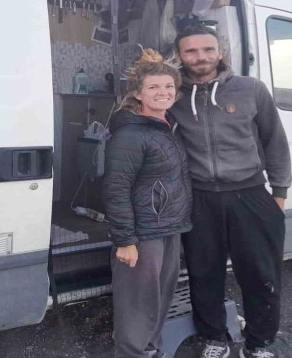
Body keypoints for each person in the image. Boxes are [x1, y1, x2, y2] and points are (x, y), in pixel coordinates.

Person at [168, 25, 292, 358]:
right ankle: (215, 338)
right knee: (203, 273)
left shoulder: (251, 89)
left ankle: (258, 343)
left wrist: (278, 194)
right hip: (200, 198)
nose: (201, 57)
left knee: (260, 274)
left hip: (250, 194)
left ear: (220, 51)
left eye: (208, 49)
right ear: (179, 56)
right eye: (191, 51)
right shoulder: (173, 95)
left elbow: (275, 142)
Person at [103, 48, 193, 358]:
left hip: (168, 227)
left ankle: (150, 349)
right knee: (137, 301)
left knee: (161, 295)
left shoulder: (167, 126)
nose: (162, 92)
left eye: (168, 86)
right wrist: (125, 240)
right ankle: (132, 353)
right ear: (138, 94)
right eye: (153, 87)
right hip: (143, 232)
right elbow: (116, 190)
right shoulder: (130, 134)